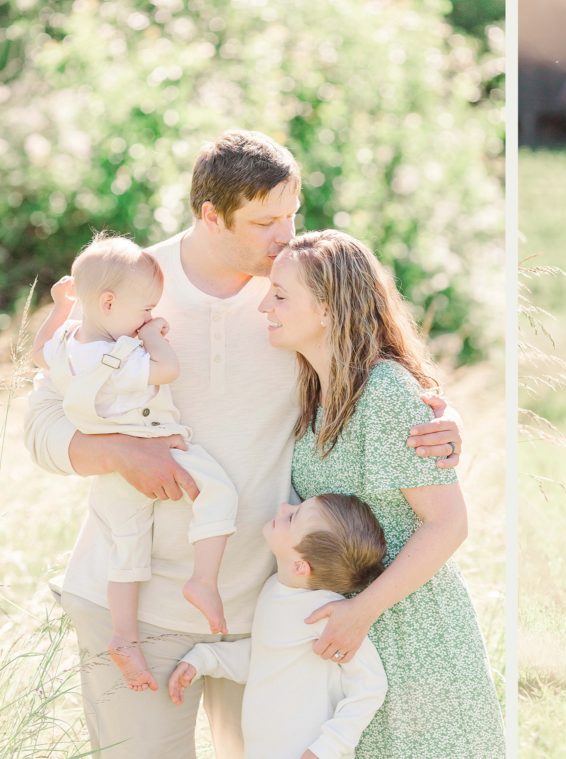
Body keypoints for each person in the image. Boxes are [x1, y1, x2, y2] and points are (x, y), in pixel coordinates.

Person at [24, 130, 463, 759]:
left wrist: (445, 424)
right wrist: (121, 454)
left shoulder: (298, 292)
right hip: (136, 603)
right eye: (264, 222)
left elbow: (377, 378)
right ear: (210, 214)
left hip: (271, 609)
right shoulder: (129, 280)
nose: (284, 234)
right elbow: (40, 427)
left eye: (292, 215)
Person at [258, 229, 504, 758]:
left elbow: (449, 524)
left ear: (327, 308)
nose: (264, 305)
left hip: (411, 632)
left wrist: (363, 610)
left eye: (280, 295)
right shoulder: (315, 393)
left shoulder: (386, 392)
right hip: (351, 638)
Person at [30, 235, 238, 692]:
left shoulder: (68, 347)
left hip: (113, 473)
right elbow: (167, 371)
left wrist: (61, 307)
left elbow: (36, 350)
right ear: (107, 303)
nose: (149, 316)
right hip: (158, 447)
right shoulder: (120, 357)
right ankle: (203, 579)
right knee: (219, 493)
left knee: (126, 552)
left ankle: (124, 637)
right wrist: (154, 338)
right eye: (145, 308)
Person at [168, 494, 390, 759]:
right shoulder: (274, 590)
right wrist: (205, 659)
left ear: (300, 566)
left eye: (293, 516)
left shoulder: (326, 614)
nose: (284, 506)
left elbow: (370, 684)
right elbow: (267, 658)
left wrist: (328, 748)